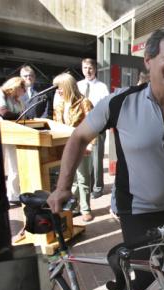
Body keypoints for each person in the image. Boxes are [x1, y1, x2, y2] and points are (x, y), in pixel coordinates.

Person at [47, 28, 164, 290]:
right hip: (136, 210)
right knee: (143, 282)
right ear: (148, 61)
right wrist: (63, 187)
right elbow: (78, 138)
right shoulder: (120, 102)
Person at [52, 73, 95, 222]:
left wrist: (89, 144)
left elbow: (93, 126)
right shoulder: (59, 105)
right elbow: (55, 126)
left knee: (83, 179)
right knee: (72, 178)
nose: (57, 91)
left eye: (59, 87)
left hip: (82, 146)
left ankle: (85, 209)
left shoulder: (84, 102)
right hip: (65, 146)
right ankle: (75, 206)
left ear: (67, 86)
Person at [77, 58, 109, 200]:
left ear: (95, 69)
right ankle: (87, 185)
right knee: (84, 157)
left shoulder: (102, 87)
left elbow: (106, 106)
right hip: (81, 127)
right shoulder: (77, 86)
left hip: (97, 126)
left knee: (97, 158)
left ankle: (97, 187)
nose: (88, 71)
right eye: (85, 68)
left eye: (90, 68)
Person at [0, 76, 26, 206]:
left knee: (15, 165)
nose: (24, 91)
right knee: (0, 165)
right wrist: (21, 116)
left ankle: (13, 195)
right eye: (22, 87)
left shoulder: (18, 101)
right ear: (15, 86)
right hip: (0, 134)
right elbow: (3, 112)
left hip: (15, 134)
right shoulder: (0, 93)